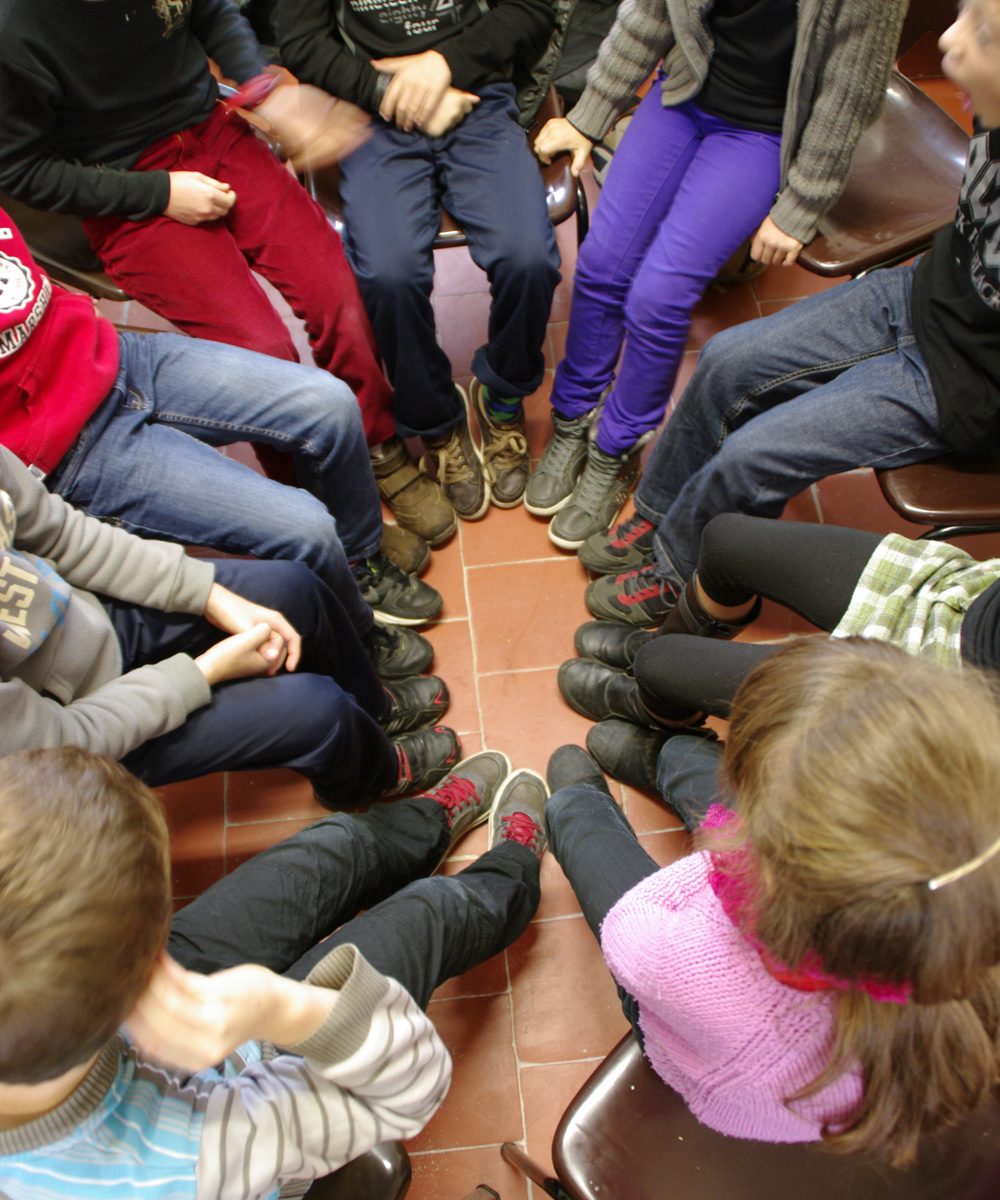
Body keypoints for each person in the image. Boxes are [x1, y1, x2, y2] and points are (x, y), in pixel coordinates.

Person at [574, 0, 1000, 615]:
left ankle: (683, 578)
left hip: (966, 383)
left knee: (755, 457)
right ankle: (659, 510)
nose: (948, 41)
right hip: (924, 296)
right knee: (724, 359)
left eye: (979, 34)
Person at [0, 0, 455, 546]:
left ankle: (378, 444)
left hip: (212, 131)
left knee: (338, 291)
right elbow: (23, 171)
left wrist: (266, 90)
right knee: (263, 352)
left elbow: (215, 12)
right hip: (125, 184)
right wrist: (160, 194)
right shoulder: (15, 28)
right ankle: (319, 499)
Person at [0, 745, 550, 1196]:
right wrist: (280, 1008)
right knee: (431, 913)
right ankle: (512, 876)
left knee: (336, 847)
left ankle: (425, 826)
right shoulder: (198, 1160)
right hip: (244, 1102)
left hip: (90, 1019)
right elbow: (414, 1081)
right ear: (140, 981)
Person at [544, 638, 1000, 1161]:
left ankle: (576, 807)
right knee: (703, 774)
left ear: (775, 880)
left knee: (598, 845)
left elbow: (633, 925)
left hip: (700, 1043)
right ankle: (666, 756)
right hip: (787, 977)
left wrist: (719, 857)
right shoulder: (974, 899)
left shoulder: (694, 964)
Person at [525, 0, 907, 549]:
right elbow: (649, 15)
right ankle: (576, 412)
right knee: (603, 263)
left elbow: (850, 95)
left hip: (764, 130)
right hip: (683, 94)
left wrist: (801, 203)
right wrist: (590, 114)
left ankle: (618, 443)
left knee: (658, 296)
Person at [0, 208, 442, 670]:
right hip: (71, 446)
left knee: (329, 403)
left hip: (112, 356)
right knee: (304, 528)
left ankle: (357, 564)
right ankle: (355, 636)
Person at [0, 442, 464, 799]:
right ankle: (371, 779)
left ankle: (375, 710)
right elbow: (56, 742)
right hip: (79, 730)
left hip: (86, 617)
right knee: (320, 712)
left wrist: (206, 594)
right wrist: (206, 670)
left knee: (293, 590)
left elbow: (60, 532)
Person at [279, 0, 562, 517]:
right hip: (371, 110)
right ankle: (434, 420)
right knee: (388, 276)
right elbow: (300, 43)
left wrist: (443, 65)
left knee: (528, 258)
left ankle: (500, 394)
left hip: (473, 92)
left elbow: (533, 9)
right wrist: (387, 92)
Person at [563, 512, 1000, 821]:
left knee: (659, 665)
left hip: (950, 691)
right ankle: (668, 660)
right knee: (726, 540)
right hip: (964, 599)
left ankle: (660, 710)